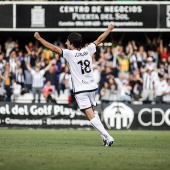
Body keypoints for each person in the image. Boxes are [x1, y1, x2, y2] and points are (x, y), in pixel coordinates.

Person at [34, 24, 114, 146]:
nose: (66, 43)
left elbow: (53, 48)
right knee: (93, 113)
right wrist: (109, 29)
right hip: (92, 87)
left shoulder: (69, 54)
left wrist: (39, 39)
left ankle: (108, 136)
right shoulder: (88, 50)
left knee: (90, 116)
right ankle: (104, 136)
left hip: (81, 90)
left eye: (67, 42)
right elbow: (100, 39)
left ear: (71, 43)